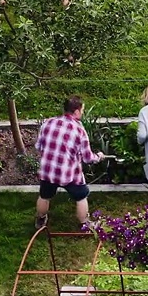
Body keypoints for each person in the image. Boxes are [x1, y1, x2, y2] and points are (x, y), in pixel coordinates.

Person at [34, 95, 112, 231]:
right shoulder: (79, 130)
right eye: (82, 110)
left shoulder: (48, 123)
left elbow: (39, 147)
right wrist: (99, 156)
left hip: (48, 172)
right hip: (69, 174)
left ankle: (40, 220)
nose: (82, 112)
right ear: (76, 111)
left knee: (44, 196)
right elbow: (88, 158)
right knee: (81, 196)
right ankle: (85, 224)